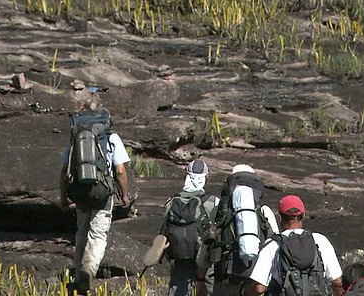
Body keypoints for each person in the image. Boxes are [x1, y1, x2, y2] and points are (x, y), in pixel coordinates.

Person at [58, 109, 131, 295]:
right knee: (98, 234)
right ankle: (87, 271)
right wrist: (125, 196)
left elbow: (64, 171)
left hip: (80, 192)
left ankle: (77, 272)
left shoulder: (76, 137)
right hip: (101, 194)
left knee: (81, 231)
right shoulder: (111, 138)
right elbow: (120, 170)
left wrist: (63, 198)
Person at [143, 160, 219, 296]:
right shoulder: (212, 201)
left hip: (179, 259)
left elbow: (165, 230)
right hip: (204, 260)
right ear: (205, 178)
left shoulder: (172, 201)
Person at [243, 194, 344, 296]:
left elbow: (259, 287)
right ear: (303, 216)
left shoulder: (272, 244)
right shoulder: (320, 240)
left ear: (280, 217)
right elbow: (337, 282)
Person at [212, 164, 280, 296]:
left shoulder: (222, 212)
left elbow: (210, 240)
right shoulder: (264, 212)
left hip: (227, 278)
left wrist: (201, 277)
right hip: (255, 279)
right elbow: (275, 243)